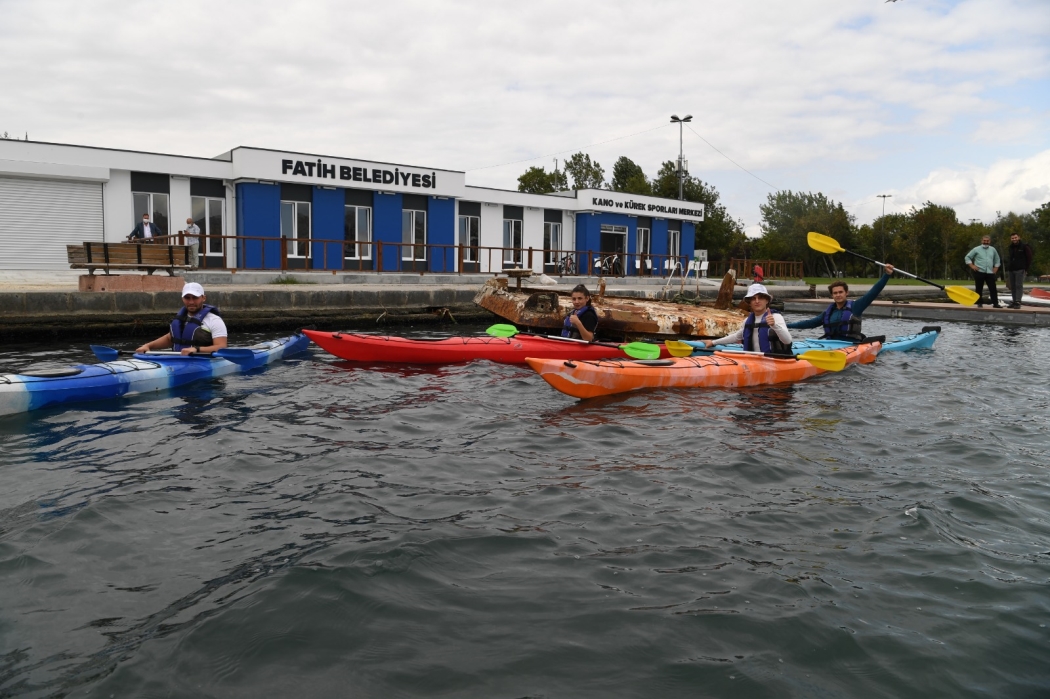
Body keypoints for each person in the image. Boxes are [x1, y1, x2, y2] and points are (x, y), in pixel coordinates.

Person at [787, 264, 896, 340]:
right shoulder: (828, 313)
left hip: (851, 345)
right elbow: (809, 323)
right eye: (835, 293)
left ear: (846, 293)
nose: (838, 295)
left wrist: (886, 275)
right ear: (832, 295)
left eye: (840, 292)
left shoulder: (856, 307)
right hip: (831, 345)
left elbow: (873, 292)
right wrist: (786, 326)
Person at [135, 282, 228, 355]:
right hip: (179, 359)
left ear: (203, 298)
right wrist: (148, 346)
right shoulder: (181, 318)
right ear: (182, 299)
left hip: (204, 360)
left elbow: (221, 347)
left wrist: (197, 349)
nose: (191, 302)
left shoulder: (214, 320)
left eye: (195, 297)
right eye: (187, 298)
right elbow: (170, 338)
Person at [701, 283, 793, 354]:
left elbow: (788, 340)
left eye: (760, 298)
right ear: (749, 302)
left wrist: (774, 325)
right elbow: (737, 336)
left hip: (775, 361)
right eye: (753, 298)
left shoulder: (775, 317)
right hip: (752, 361)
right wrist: (713, 342)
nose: (757, 301)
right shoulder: (747, 321)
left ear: (767, 300)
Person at [964, 235, 1002, 308]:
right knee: (979, 288)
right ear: (982, 241)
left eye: (987, 241)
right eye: (984, 240)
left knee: (993, 288)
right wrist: (972, 266)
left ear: (989, 241)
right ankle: (979, 302)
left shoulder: (993, 249)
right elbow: (967, 257)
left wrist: (996, 267)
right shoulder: (976, 249)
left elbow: (997, 259)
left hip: (990, 272)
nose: (986, 242)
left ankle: (995, 303)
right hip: (979, 271)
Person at [1005, 233, 1033, 309]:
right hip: (1011, 269)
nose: (1014, 239)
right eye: (1012, 238)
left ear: (1019, 237)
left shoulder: (1024, 247)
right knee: (1012, 286)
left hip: (1020, 269)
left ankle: (1018, 302)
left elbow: (1029, 258)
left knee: (1018, 285)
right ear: (1011, 239)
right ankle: (1014, 301)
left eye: (1015, 237)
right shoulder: (1010, 247)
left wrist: (1026, 269)